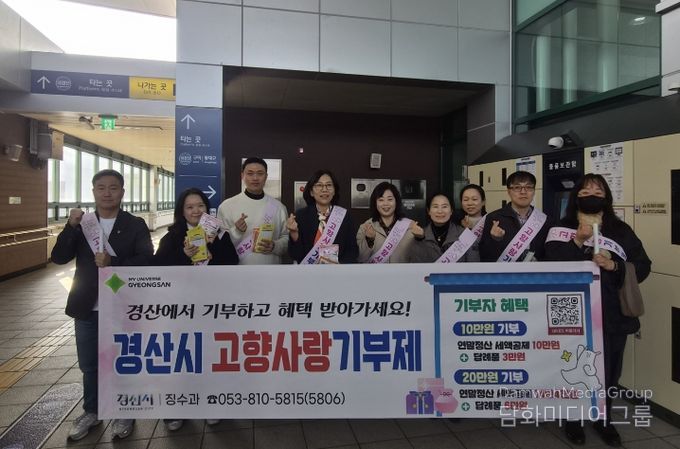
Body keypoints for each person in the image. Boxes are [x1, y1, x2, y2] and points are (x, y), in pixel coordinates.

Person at [544, 174, 651, 447]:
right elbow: (550, 264)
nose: (592, 195)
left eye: (598, 191)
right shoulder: (561, 228)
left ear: (606, 197)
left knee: (610, 370)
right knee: (572, 366)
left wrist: (614, 266)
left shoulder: (621, 230)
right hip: (572, 314)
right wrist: (577, 241)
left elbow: (643, 265)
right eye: (585, 191)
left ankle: (603, 418)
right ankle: (573, 418)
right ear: (576, 196)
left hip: (612, 314)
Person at [51, 169, 153, 441]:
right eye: (101, 188)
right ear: (93, 191)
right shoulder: (83, 224)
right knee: (89, 365)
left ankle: (124, 411)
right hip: (87, 306)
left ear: (122, 192)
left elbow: (146, 260)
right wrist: (70, 226)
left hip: (122, 306)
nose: (107, 193)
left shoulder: (134, 224)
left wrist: (113, 263)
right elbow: (59, 257)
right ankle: (92, 411)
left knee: (123, 361)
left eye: (113, 188)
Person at [154, 187, 237, 430]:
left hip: (212, 306)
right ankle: (176, 408)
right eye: (190, 207)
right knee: (181, 357)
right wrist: (183, 255)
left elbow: (233, 263)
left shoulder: (219, 233)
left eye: (200, 205)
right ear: (182, 211)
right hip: (181, 308)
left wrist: (214, 247)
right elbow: (158, 267)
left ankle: (210, 404)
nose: (196, 211)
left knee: (210, 356)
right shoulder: (172, 236)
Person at [217, 157, 289, 264]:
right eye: (250, 173)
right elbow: (219, 244)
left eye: (260, 173)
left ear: (266, 176)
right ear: (242, 176)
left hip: (271, 269)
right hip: (237, 270)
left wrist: (275, 246)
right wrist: (236, 231)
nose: (255, 178)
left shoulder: (278, 207)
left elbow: (286, 237)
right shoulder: (227, 206)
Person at [287, 169, 358, 264]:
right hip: (309, 271)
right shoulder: (301, 216)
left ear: (334, 191)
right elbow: (295, 255)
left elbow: (352, 251)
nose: (324, 189)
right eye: (319, 185)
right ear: (311, 192)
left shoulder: (345, 216)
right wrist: (294, 233)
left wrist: (338, 267)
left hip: (338, 271)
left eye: (329, 185)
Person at [479, 171, 550, 262]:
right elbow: (484, 256)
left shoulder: (544, 220)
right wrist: (496, 240)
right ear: (509, 191)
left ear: (534, 191)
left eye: (529, 187)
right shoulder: (493, 218)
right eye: (517, 187)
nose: (523, 192)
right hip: (506, 271)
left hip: (536, 271)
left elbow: (550, 253)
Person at [356, 182, 418, 263]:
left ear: (396, 201)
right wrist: (369, 240)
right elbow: (361, 259)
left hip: (403, 271)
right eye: (381, 200)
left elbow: (420, 257)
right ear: (375, 203)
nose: (385, 204)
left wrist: (421, 237)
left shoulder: (410, 226)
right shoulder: (365, 227)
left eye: (390, 199)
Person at [407, 192, 479, 263]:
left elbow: (474, 267)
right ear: (429, 211)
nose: (440, 211)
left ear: (451, 211)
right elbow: (416, 265)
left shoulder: (465, 235)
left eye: (444, 206)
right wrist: (420, 240)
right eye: (435, 206)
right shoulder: (419, 235)